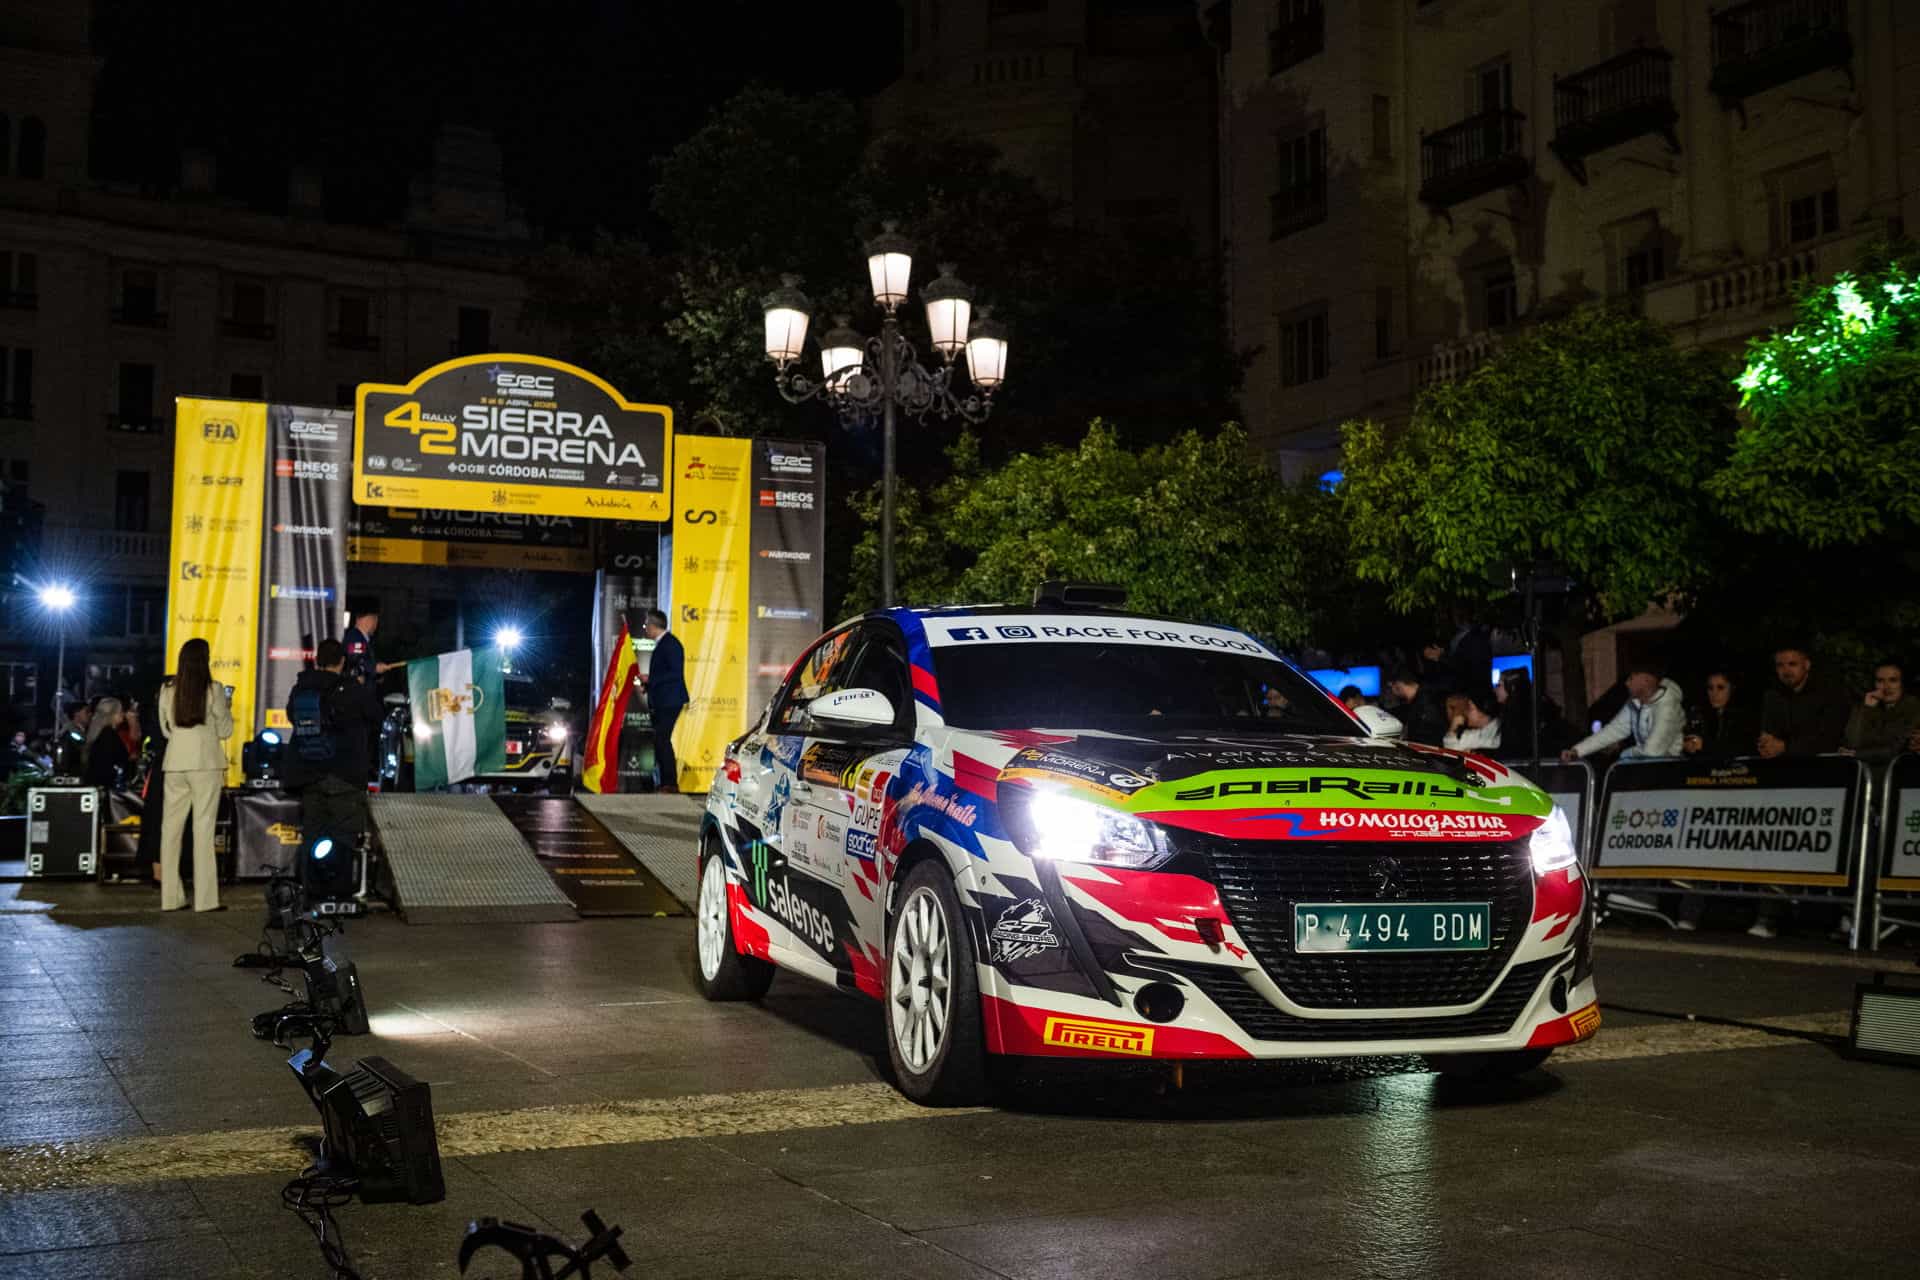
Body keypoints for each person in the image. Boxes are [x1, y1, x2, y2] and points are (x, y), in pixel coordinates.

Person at [280, 638, 384, 863]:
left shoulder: (301, 688)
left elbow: (292, 716)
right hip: (345, 776)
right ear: (342, 661)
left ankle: (312, 890)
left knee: (312, 836)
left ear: (317, 660)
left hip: (308, 775)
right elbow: (376, 715)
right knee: (344, 841)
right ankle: (340, 891)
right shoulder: (351, 689)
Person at [156, 638, 233, 912]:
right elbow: (225, 731)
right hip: (206, 762)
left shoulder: (167, 690)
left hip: (175, 761)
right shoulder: (214, 690)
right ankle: (205, 900)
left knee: (170, 831)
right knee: (203, 830)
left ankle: (170, 898)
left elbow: (165, 730)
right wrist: (227, 708)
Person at [1561, 663, 1685, 762]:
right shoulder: (1635, 702)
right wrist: (1577, 751)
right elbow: (1613, 730)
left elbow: (1653, 752)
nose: (1626, 683)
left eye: (1631, 678)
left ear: (1646, 680)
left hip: (1669, 773)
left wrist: (1626, 754)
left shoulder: (1667, 706)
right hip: (1648, 769)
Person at [1757, 644, 1850, 758]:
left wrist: (1785, 747)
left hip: (1823, 764)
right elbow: (1768, 734)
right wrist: (1766, 745)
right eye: (1780, 665)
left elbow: (1829, 739)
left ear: (1807, 665)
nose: (1786, 671)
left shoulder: (1830, 694)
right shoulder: (1773, 696)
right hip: (1783, 765)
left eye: (1792, 664)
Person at [640, 609, 687, 794]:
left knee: (662, 739)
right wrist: (649, 684)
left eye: (645, 625)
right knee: (660, 740)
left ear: (653, 626)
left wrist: (651, 680)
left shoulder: (671, 644)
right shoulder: (662, 644)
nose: (645, 629)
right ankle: (665, 782)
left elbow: (675, 673)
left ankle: (670, 783)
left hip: (670, 701)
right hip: (662, 699)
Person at [1842, 659, 1920, 764]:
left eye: (1893, 680)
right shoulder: (1868, 705)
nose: (1886, 686)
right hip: (1865, 770)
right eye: (1880, 681)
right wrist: (1867, 708)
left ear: (1903, 683)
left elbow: (1896, 748)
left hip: (1900, 770)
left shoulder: (1913, 707)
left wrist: (1857, 754)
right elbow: (1852, 742)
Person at [1684, 670, 1758, 758]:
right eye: (1710, 688)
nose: (1714, 694)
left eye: (1721, 688)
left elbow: (1740, 749)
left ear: (1732, 689)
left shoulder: (1745, 716)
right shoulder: (1704, 715)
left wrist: (1705, 745)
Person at [1386, 668, 1448, 746]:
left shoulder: (1425, 705)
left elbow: (1424, 740)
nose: (1391, 691)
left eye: (1391, 686)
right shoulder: (1423, 698)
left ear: (1399, 684)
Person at [82, 696, 131, 790]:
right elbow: (107, 765)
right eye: (120, 711)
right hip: (107, 788)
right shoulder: (108, 736)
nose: (123, 714)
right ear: (112, 714)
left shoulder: (101, 733)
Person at [342, 607, 398, 686]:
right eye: (375, 620)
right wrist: (375, 668)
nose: (376, 625)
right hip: (357, 690)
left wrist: (377, 675)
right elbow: (355, 660)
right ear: (367, 620)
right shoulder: (355, 637)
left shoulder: (364, 639)